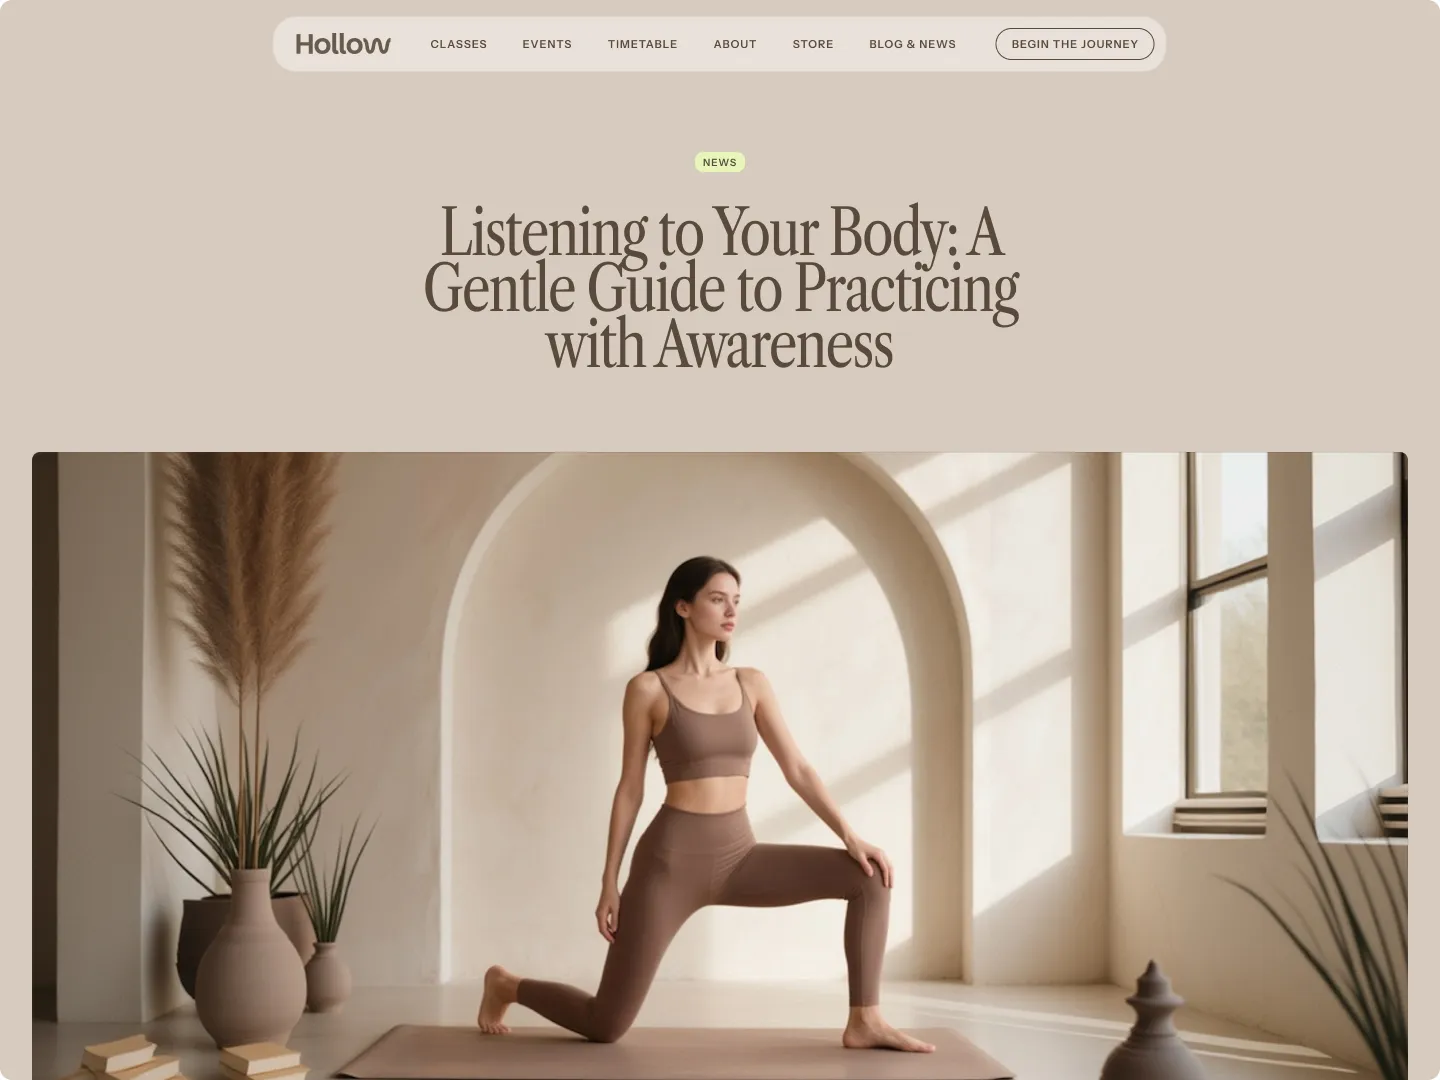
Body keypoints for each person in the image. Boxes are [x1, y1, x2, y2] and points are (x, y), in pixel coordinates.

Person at [476, 555, 935, 1053]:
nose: (731, 610)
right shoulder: (648, 688)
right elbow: (630, 787)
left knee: (868, 877)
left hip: (740, 856)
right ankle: (507, 985)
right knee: (605, 1024)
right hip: (669, 866)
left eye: (736, 601)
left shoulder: (751, 682)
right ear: (683, 607)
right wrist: (610, 879)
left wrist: (849, 835)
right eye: (718, 599)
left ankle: (865, 1020)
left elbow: (798, 768)